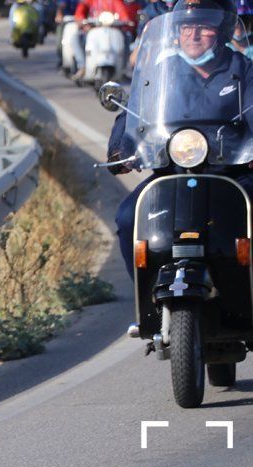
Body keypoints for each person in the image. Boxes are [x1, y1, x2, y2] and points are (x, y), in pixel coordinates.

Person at [108, 0, 253, 278]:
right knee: (128, 218)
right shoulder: (163, 71)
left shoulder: (243, 69)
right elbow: (132, 113)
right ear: (176, 30)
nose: (193, 34)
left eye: (204, 25)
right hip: (172, 176)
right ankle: (147, 310)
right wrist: (120, 151)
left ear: (222, 30)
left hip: (233, 177)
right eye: (186, 25)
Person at [71, 0, 135, 79]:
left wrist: (125, 20)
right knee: (76, 37)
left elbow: (122, 13)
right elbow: (80, 12)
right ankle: (82, 66)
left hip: (112, 28)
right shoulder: (90, 1)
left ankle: (123, 67)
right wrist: (82, 21)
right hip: (93, 28)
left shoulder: (115, 1)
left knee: (126, 37)